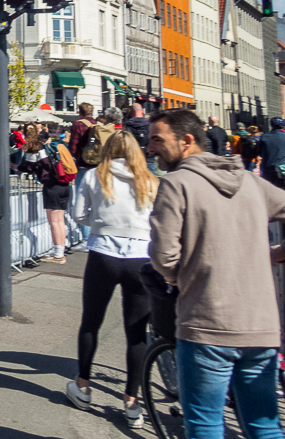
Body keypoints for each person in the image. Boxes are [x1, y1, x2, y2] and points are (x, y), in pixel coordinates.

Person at [148, 108, 285, 439]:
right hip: (260, 323)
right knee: (263, 423)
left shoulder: (177, 184)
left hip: (207, 323)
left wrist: (181, 278)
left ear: (187, 141)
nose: (150, 148)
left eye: (157, 139)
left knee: (206, 423)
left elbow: (164, 256)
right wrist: (273, 256)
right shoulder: (251, 182)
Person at [64, 129, 157, 427]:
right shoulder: (150, 180)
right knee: (136, 331)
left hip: (104, 252)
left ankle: (83, 384)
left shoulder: (94, 176)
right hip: (140, 256)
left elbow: (78, 214)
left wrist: (101, 223)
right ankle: (132, 401)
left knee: (91, 321)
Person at [17, 126, 71, 263]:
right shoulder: (47, 147)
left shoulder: (34, 149)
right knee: (60, 220)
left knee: (54, 222)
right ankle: (60, 250)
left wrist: (15, 166)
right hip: (64, 184)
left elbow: (28, 168)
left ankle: (58, 254)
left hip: (52, 186)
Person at [257, 116, 285, 190]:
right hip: (282, 169)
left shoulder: (264, 137)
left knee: (268, 191)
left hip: (267, 169)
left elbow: (258, 152)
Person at [68, 102, 97, 169]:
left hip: (83, 161)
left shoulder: (78, 124)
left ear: (80, 113)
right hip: (97, 159)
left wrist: (74, 156)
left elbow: (73, 145)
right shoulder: (97, 124)